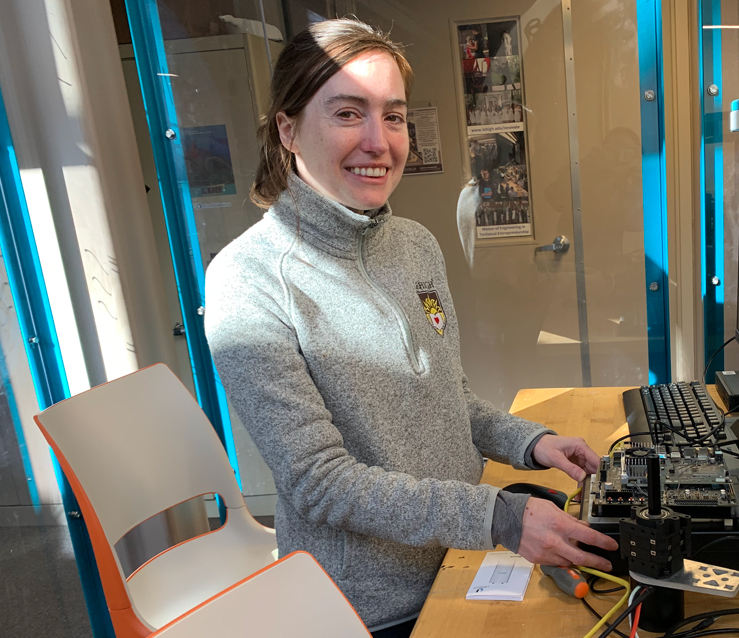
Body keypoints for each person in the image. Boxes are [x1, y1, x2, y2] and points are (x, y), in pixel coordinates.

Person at [203, 19, 617, 638]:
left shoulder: (415, 245)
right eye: (348, 113)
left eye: (393, 117)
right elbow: (319, 484)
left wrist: (531, 443)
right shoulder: (247, 280)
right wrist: (500, 517)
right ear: (287, 130)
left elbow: (447, 399)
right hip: (371, 607)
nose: (379, 142)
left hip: (464, 552)